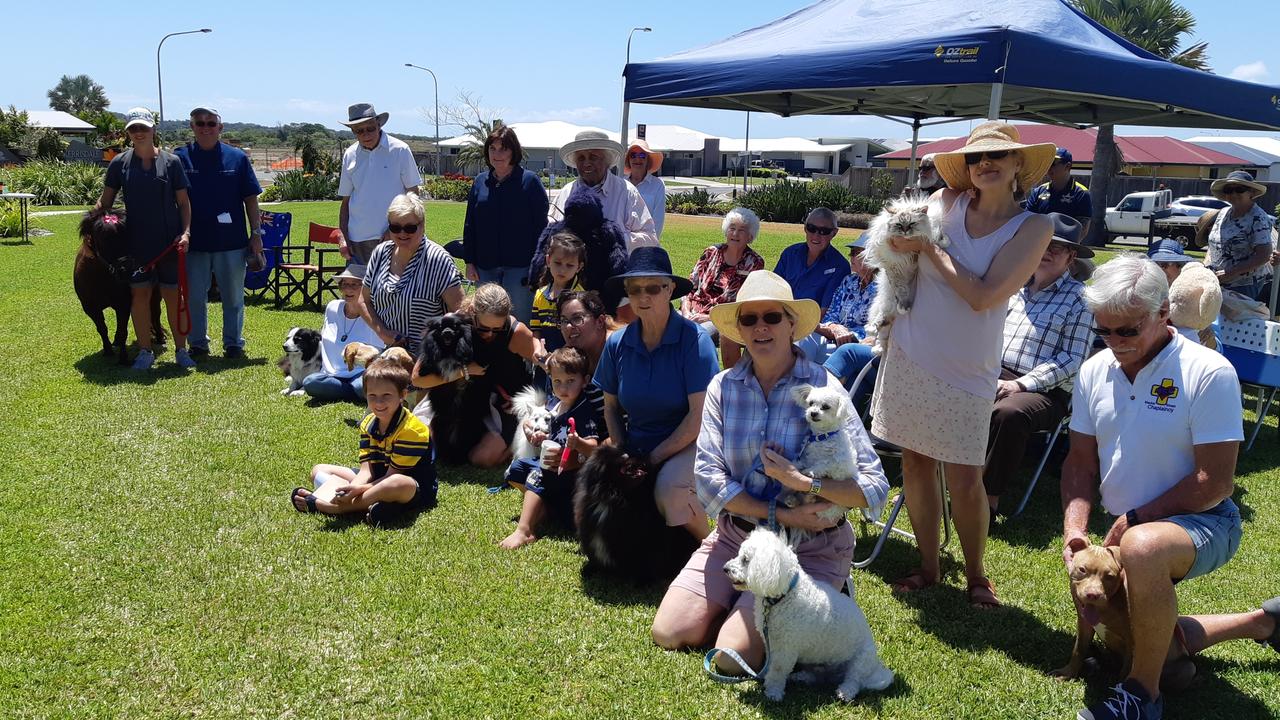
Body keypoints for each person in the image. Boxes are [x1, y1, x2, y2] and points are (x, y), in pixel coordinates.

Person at [1061, 254, 1280, 720]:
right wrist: (1074, 529)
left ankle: (1142, 697)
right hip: (1127, 527)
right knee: (1153, 635)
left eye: (1128, 330)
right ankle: (1265, 623)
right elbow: (1079, 463)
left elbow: (1215, 482)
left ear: (1164, 314)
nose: (1115, 342)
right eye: (1104, 330)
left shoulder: (1208, 372)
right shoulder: (1093, 371)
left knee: (1141, 550)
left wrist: (1133, 520)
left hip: (1206, 519)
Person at [650, 270, 890, 669]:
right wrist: (785, 512)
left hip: (806, 547)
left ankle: (820, 590)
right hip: (736, 539)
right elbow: (708, 478)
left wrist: (804, 482)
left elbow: (873, 485)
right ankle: (746, 607)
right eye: (749, 319)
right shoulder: (722, 387)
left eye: (772, 317)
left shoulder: (823, 386)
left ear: (791, 324)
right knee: (670, 633)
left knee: (730, 657)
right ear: (739, 329)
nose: (761, 328)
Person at [871, 121, 1055, 608]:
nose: (985, 164)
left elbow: (984, 296)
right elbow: (892, 254)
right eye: (976, 158)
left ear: (1019, 165)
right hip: (910, 350)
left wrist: (929, 246)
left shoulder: (1035, 227)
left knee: (965, 478)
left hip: (968, 367)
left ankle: (977, 575)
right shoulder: (941, 204)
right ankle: (929, 566)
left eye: (997, 156)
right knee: (914, 463)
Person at [595, 247, 721, 541]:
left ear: (671, 289)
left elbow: (699, 417)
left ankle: (710, 549)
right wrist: (620, 450)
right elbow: (611, 408)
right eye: (635, 289)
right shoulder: (618, 343)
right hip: (637, 443)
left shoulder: (695, 341)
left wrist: (652, 460)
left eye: (653, 287)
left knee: (668, 489)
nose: (643, 297)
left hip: (692, 444)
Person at [983, 213, 1094, 516]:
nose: (1046, 251)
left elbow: (1073, 360)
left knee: (1009, 412)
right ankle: (941, 475)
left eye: (1056, 247)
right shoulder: (1014, 287)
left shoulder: (1081, 300)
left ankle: (989, 499)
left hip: (1046, 391)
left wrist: (1021, 384)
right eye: (1043, 243)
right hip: (994, 371)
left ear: (1071, 257)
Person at [94, 107, 195, 371]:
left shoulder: (172, 162)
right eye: (133, 129)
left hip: (170, 245)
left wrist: (185, 233)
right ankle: (145, 352)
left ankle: (181, 351)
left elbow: (183, 203)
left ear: (153, 130)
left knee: (173, 297)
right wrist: (91, 225)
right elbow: (105, 202)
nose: (139, 133)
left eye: (143, 128)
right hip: (136, 245)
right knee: (139, 296)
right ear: (128, 133)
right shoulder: (119, 163)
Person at [290, 357, 437, 525]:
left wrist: (357, 489)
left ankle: (332, 507)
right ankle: (373, 506)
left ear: (402, 395)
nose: (379, 402)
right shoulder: (369, 423)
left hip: (410, 486)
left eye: (386, 395)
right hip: (377, 476)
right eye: (372, 396)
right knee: (319, 470)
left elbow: (393, 475)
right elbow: (366, 471)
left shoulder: (412, 430)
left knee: (397, 484)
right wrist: (353, 489)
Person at [413, 283, 537, 467]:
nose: (489, 334)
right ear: (472, 311)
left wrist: (530, 402)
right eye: (483, 327)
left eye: (497, 329)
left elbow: (542, 365)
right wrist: (464, 372)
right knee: (420, 445)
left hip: (504, 401)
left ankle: (517, 442)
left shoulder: (516, 332)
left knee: (481, 458)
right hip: (461, 399)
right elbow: (418, 379)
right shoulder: (452, 324)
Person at [174, 106, 262, 360]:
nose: (205, 128)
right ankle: (198, 344)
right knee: (194, 298)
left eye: (211, 123)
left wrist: (256, 234)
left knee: (233, 298)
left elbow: (251, 200)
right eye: (199, 123)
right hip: (194, 244)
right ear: (192, 127)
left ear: (220, 128)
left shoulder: (237, 158)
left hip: (231, 242)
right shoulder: (179, 159)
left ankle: (234, 344)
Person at [500, 347, 606, 549]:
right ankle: (548, 507)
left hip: (572, 475)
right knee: (515, 471)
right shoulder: (556, 404)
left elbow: (593, 449)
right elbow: (547, 431)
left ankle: (524, 530)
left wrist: (578, 443)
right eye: (557, 381)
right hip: (553, 468)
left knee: (537, 476)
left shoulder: (584, 411)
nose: (563, 388)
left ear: (584, 380)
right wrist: (537, 434)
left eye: (570, 381)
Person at [462, 125, 548, 322]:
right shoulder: (480, 182)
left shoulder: (530, 182)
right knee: (487, 321)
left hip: (520, 268)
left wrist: (539, 266)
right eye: (493, 148)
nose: (497, 154)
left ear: (513, 151)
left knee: (519, 321)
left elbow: (542, 229)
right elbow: (470, 225)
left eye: (503, 149)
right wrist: (469, 262)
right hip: (485, 267)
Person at [362, 194, 464, 348]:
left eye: (410, 228)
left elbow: (461, 313)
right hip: (386, 353)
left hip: (427, 359)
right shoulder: (380, 253)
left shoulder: (438, 259)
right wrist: (383, 332)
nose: (402, 234)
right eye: (395, 227)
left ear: (422, 225)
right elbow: (363, 300)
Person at [337, 103, 422, 265]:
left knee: (392, 290)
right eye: (359, 131)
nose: (366, 134)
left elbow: (413, 195)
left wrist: (396, 231)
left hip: (394, 238)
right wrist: (344, 237)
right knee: (360, 290)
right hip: (357, 243)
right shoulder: (349, 154)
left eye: (370, 128)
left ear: (378, 124)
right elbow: (346, 202)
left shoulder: (400, 150)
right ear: (353, 132)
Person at [681, 207, 766, 369]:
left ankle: (706, 379)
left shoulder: (754, 262)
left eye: (742, 230)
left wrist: (708, 317)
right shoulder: (711, 252)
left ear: (750, 236)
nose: (735, 233)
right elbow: (689, 286)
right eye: (732, 228)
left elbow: (745, 303)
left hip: (721, 317)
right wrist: (686, 312)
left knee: (697, 335)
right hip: (692, 311)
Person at [549, 130, 656, 253]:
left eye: (593, 157)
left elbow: (650, 238)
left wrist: (614, 239)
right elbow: (550, 233)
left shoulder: (626, 192)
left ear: (607, 160)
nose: (587, 163)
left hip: (616, 271)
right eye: (581, 158)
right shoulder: (566, 192)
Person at [302, 264, 385, 403]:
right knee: (310, 382)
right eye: (344, 284)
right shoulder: (332, 307)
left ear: (367, 289)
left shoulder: (375, 314)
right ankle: (353, 392)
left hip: (361, 374)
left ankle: (350, 391)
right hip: (331, 375)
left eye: (354, 284)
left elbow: (379, 351)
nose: (348, 289)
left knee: (361, 385)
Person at [817, 235, 879, 408]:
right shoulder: (849, 281)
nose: (851, 257)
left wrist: (851, 335)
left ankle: (817, 402)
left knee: (849, 357)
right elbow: (830, 316)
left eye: (857, 253)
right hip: (835, 338)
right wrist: (835, 327)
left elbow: (879, 329)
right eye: (851, 252)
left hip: (862, 346)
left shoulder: (884, 287)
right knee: (805, 342)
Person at [1204, 170, 1275, 300]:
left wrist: (1231, 272)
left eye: (1239, 189)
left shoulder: (1258, 218)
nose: (1234, 194)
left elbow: (1264, 254)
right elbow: (1214, 244)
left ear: (1251, 193)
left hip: (1243, 286)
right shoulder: (1223, 213)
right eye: (1229, 190)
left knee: (1236, 319)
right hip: (1216, 280)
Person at [773, 207, 850, 315]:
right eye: (811, 228)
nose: (816, 236)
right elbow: (773, 291)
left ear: (834, 233)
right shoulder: (789, 254)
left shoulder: (840, 266)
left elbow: (826, 311)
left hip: (812, 325)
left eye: (824, 231)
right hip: (779, 317)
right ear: (805, 228)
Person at [529, 232, 587, 355]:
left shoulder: (579, 297)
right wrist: (538, 350)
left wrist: (558, 358)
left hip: (569, 361)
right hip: (545, 361)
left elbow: (580, 335)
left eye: (569, 265)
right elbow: (536, 329)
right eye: (558, 263)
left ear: (579, 267)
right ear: (548, 260)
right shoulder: (540, 294)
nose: (562, 270)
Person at [1024, 147, 1093, 235]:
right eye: (1048, 163)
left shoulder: (1081, 193)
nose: (1049, 167)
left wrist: (1065, 247)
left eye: (1053, 163)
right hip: (1039, 242)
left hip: (1065, 245)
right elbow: (1027, 219)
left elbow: (1083, 229)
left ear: (1067, 166)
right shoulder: (1038, 192)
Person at [625, 139, 666, 239]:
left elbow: (658, 223)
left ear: (648, 160)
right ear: (628, 160)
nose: (637, 159)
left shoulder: (658, 185)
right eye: (633, 155)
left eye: (642, 155)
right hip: (622, 245)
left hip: (647, 245)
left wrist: (648, 245)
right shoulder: (621, 184)